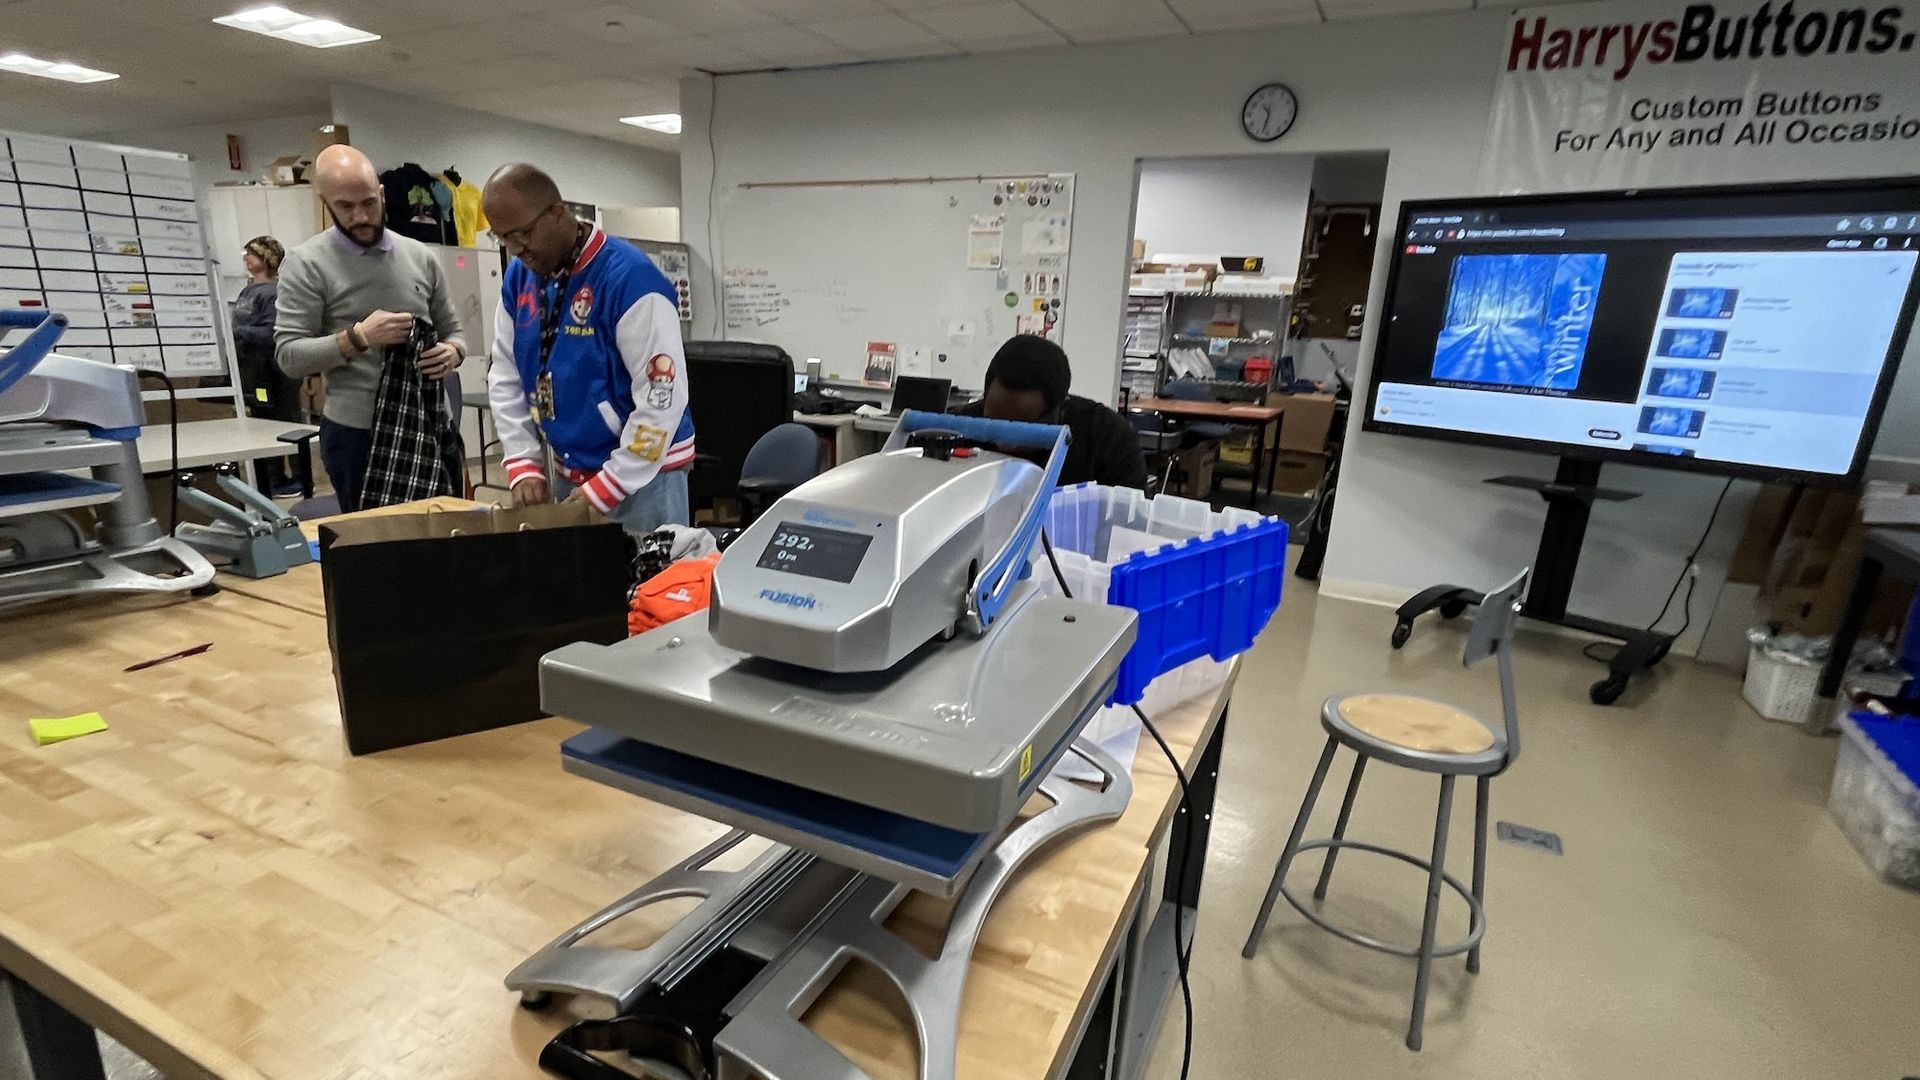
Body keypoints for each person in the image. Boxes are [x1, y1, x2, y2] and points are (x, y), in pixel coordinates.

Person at [482, 163, 693, 531]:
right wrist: (522, 460)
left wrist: (609, 486)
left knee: (647, 585)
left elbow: (662, 397)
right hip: (571, 468)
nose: (517, 250)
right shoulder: (520, 277)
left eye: (524, 234)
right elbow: (505, 372)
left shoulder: (631, 279)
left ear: (558, 213)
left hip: (645, 476)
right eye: (502, 239)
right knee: (582, 585)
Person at [274, 145, 465, 513]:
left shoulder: (420, 257)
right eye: (345, 207)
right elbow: (289, 356)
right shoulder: (306, 263)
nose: (361, 216)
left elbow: (454, 332)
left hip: (431, 425)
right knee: (374, 553)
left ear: (380, 193)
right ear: (324, 202)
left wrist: (452, 352)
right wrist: (358, 338)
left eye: (368, 203)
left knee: (448, 541)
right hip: (357, 436)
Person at [957, 335, 1148, 489]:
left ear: (1061, 411)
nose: (1004, 444)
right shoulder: (959, 427)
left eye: (1022, 430)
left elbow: (1128, 524)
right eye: (993, 425)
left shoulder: (1108, 438)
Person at [229, 235, 301, 494]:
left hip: (276, 369)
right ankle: (274, 478)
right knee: (263, 423)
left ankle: (299, 478)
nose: (247, 258)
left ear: (266, 259)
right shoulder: (247, 291)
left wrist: (237, 333)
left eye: (253, 253)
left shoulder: (274, 292)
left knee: (286, 421)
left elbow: (273, 332)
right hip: (254, 371)